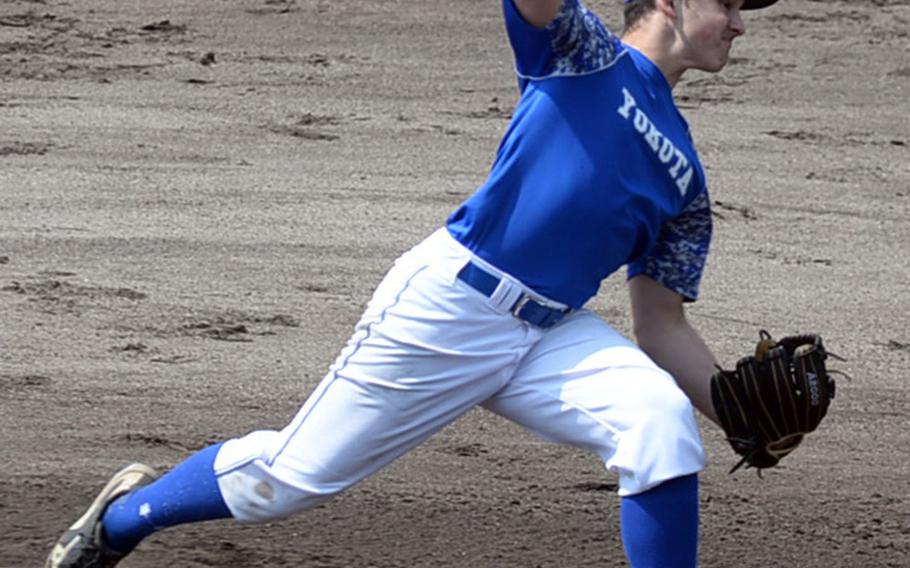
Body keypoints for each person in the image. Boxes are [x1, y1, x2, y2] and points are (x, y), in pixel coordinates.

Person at [47, 0, 780, 566]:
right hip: (451, 304)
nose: (740, 24)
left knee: (656, 420)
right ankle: (119, 521)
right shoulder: (585, 53)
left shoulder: (686, 178)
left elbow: (661, 326)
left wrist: (740, 419)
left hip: (551, 333)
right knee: (285, 481)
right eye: (730, 3)